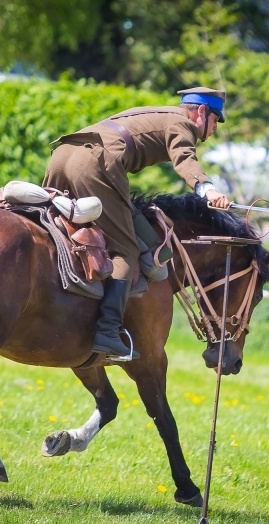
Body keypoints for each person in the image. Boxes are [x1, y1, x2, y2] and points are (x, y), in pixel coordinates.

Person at [43, 87, 231, 360]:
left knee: (54, 224)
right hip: (94, 163)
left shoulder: (156, 113)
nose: (214, 129)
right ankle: (108, 332)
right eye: (215, 120)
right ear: (201, 111)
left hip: (62, 154)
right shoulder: (184, 124)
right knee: (126, 251)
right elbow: (184, 158)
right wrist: (207, 189)